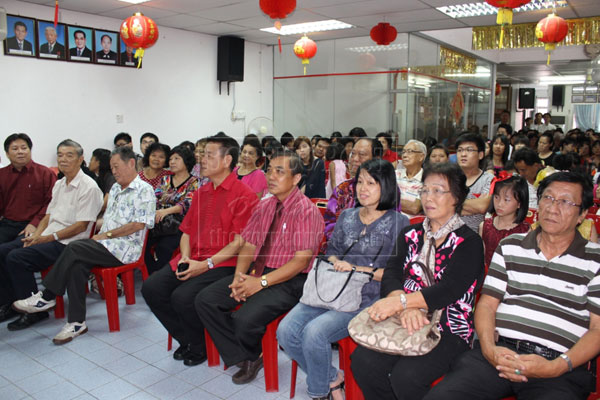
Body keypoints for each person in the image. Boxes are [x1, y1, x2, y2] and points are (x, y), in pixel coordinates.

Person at [425, 171, 600, 400]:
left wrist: (557, 366)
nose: (552, 208)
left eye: (565, 202)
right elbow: (487, 305)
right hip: (499, 356)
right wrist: (489, 350)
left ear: (583, 214)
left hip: (558, 367)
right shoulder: (511, 246)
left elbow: (597, 329)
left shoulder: (594, 259)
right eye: (547, 198)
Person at [351, 162, 485, 400]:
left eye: (438, 190)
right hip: (402, 317)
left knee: (408, 376)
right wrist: (402, 306)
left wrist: (403, 303)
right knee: (363, 363)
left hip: (447, 326)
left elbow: (449, 290)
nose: (428, 197)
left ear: (456, 197)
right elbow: (392, 274)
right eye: (424, 190)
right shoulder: (410, 234)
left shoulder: (469, 242)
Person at [277, 159, 408, 400]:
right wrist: (337, 261)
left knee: (315, 333)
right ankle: (333, 379)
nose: (363, 188)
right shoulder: (347, 215)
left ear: (387, 186)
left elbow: (395, 274)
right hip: (331, 287)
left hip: (367, 296)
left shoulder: (400, 224)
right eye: (360, 181)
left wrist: (355, 269)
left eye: (371, 183)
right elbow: (332, 250)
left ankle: (320, 392)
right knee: (286, 331)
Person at [195, 149, 324, 384]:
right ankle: (248, 355)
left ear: (296, 179)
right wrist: (239, 276)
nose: (271, 176)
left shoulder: (306, 211)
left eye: (280, 171)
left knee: (244, 319)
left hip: (290, 280)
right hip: (258, 272)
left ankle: (249, 353)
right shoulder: (265, 205)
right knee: (206, 299)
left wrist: (261, 283)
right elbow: (249, 244)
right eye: (269, 170)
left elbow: (301, 261)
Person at [13, 146, 155, 344]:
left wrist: (104, 235)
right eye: (111, 167)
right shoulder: (115, 188)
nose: (113, 171)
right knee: (77, 264)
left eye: (116, 166)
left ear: (131, 163)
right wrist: (97, 229)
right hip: (106, 243)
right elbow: (107, 218)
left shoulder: (144, 190)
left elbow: (137, 224)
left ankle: (47, 295)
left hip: (125, 248)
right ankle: (76, 322)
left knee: (74, 247)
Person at [142, 135, 258, 366]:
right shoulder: (202, 192)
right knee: (152, 288)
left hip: (224, 263)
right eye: (202, 155)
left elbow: (237, 244)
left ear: (227, 161)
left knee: (183, 297)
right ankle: (189, 339)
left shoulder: (244, 195)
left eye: (208, 155)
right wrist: (185, 256)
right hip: (193, 257)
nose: (202, 160)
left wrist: (205, 265)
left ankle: (199, 346)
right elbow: (186, 232)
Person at [0, 140, 102, 329]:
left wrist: (47, 238)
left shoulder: (89, 187)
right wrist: (36, 235)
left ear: (81, 159)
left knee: (17, 257)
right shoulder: (60, 183)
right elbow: (48, 215)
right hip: (48, 236)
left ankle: (36, 311)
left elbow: (81, 226)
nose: (63, 160)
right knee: (3, 251)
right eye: (60, 155)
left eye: (69, 155)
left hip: (69, 243)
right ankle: (13, 303)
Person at [144, 146, 199, 274]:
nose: (172, 162)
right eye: (171, 159)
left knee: (164, 247)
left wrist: (166, 211)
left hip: (179, 225)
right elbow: (155, 199)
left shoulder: (194, 182)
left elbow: (187, 204)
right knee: (141, 243)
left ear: (186, 162)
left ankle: (158, 275)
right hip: (159, 222)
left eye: (176, 159)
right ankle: (153, 272)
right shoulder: (165, 179)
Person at [323, 138, 384, 247]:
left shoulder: (386, 190)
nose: (355, 159)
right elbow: (329, 222)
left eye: (362, 155)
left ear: (376, 159)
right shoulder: (342, 189)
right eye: (352, 154)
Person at [0, 134, 56, 244]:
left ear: (30, 150)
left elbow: (51, 204)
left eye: (24, 148)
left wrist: (35, 223)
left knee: (5, 251)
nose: (20, 152)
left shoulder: (45, 174)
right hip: (7, 224)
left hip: (33, 225)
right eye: (15, 149)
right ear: (7, 154)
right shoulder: (2, 175)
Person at [479, 174, 530, 266]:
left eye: (507, 200)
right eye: (496, 197)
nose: (500, 204)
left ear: (519, 203)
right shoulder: (484, 226)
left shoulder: (525, 232)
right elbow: (481, 259)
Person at [455, 133, 494, 233]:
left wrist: (450, 203)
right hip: (447, 232)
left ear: (481, 155)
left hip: (474, 234)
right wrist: (472, 204)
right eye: (460, 150)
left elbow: (482, 207)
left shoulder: (489, 179)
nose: (463, 154)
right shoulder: (449, 178)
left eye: (469, 150)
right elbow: (440, 206)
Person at [397, 139, 426, 216]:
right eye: (403, 152)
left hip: (412, 224)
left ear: (421, 157)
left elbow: (414, 208)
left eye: (409, 152)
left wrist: (389, 200)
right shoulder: (394, 174)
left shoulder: (427, 179)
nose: (404, 155)